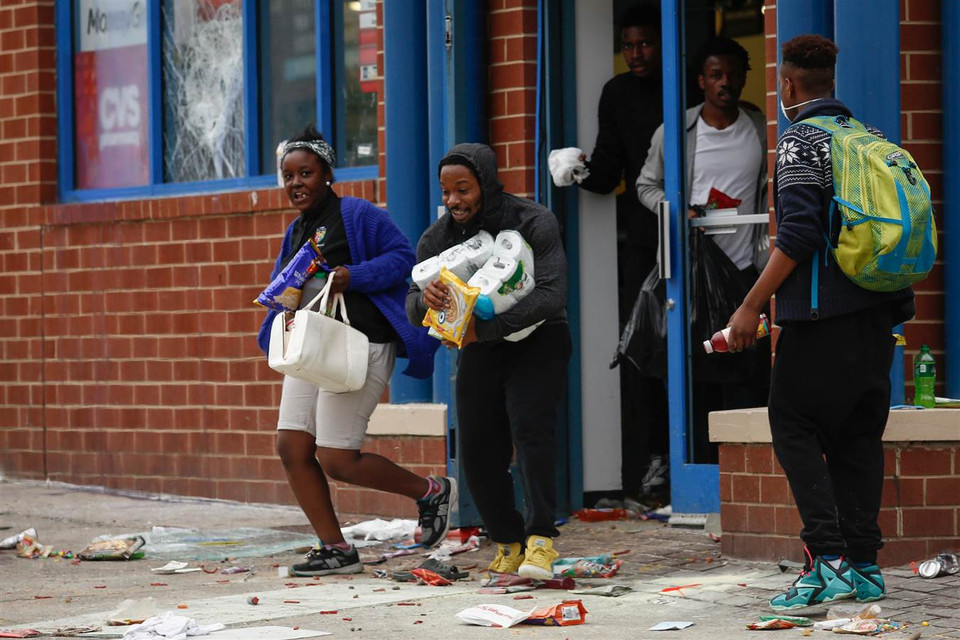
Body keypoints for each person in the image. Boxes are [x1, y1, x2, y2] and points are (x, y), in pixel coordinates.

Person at [726, 35, 915, 610]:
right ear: (832, 80)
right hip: (878, 317)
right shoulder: (872, 138)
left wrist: (751, 304)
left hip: (820, 316)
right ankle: (863, 565)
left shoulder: (801, 141)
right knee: (859, 437)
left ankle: (826, 560)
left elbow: (800, 235)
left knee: (793, 422)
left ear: (787, 86)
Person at [257, 125, 456, 577]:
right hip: (311, 347)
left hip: (360, 344)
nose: (295, 184)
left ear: (327, 174)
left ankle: (429, 491)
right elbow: (285, 286)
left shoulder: (359, 214)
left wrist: (353, 275)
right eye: (288, 176)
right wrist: (279, 304)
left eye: (305, 173)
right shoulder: (296, 231)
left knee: (337, 458)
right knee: (291, 446)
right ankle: (335, 549)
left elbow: (404, 260)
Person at [406, 143, 570, 580]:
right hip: (480, 348)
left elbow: (553, 294)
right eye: (446, 191)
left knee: (531, 429)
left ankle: (541, 540)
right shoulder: (436, 239)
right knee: (477, 448)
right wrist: (427, 301)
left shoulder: (533, 220)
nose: (453, 200)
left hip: (539, 339)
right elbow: (410, 303)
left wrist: (485, 329)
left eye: (463, 189)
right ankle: (508, 540)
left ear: (486, 183)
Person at [636, 37, 770, 463]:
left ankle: (745, 469)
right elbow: (645, 185)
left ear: (746, 78)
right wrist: (677, 211)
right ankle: (698, 467)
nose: (725, 82)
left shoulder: (760, 128)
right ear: (701, 81)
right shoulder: (676, 131)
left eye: (732, 74)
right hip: (690, 275)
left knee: (746, 374)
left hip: (747, 271)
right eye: (715, 75)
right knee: (695, 377)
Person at [576, 2, 669, 502]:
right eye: (627, 45)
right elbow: (609, 171)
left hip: (698, 235)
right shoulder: (617, 93)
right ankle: (651, 460)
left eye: (645, 43)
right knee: (645, 348)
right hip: (642, 236)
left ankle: (693, 451)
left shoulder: (684, 85)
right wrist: (574, 171)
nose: (635, 54)